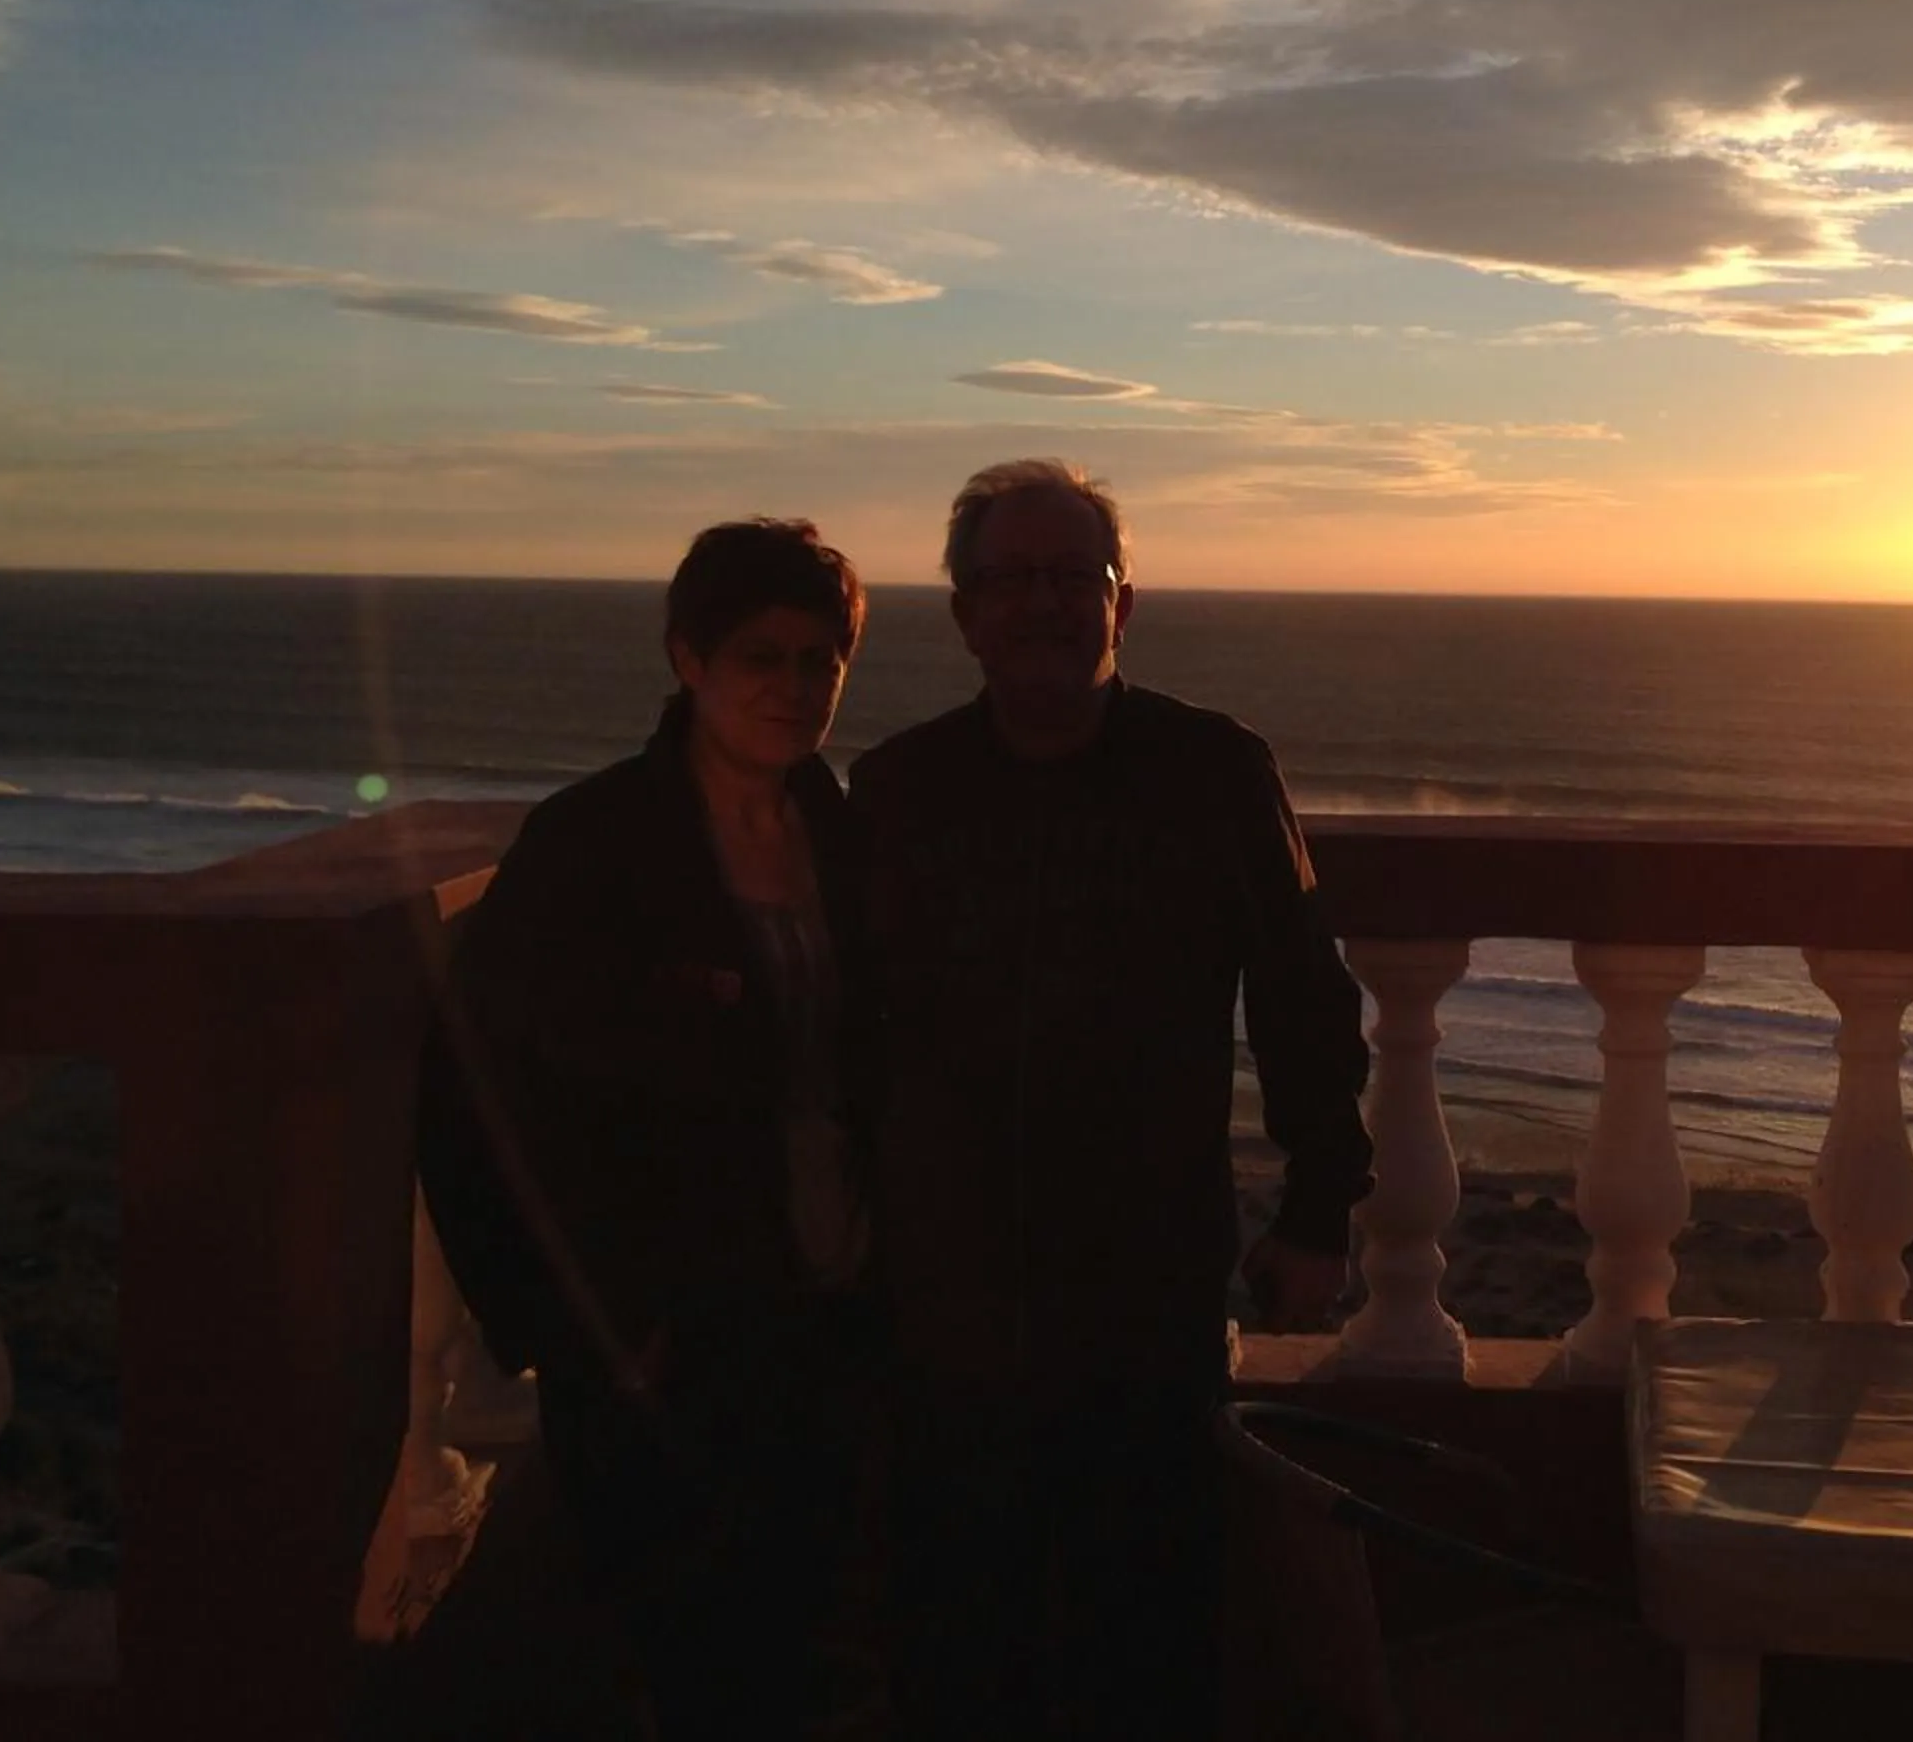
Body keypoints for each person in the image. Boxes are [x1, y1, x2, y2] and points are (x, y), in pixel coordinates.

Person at [851, 457, 1374, 1742]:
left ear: (1121, 605)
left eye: (1071, 576)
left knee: (1145, 1638)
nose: (1042, 603)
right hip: (938, 1305)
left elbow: (1304, 996)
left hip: (1145, 1298)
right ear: (965, 612)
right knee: (955, 1645)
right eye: (1010, 579)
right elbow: (841, 1033)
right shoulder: (898, 792)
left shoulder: (1214, 772)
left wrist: (1319, 1206)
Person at [415, 518, 878, 1742]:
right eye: (761, 657)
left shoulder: (850, 838)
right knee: (681, 1661)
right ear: (689, 660)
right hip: (666, 1341)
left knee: (809, 1653)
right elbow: (472, 1099)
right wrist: (573, 1326)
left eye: (821, 660)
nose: (795, 687)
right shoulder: (594, 846)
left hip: (832, 1316)